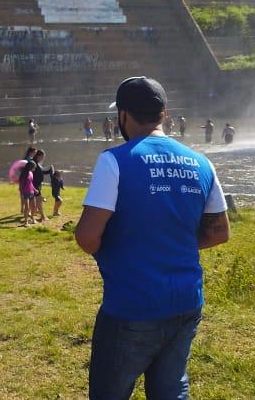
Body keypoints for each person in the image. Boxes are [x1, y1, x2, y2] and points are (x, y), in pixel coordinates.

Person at [75, 77, 229, 400]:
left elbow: (88, 236)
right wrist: (172, 242)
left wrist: (125, 246)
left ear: (123, 116)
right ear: (164, 114)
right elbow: (219, 232)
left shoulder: (114, 161)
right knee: (171, 389)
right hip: (187, 302)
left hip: (132, 305)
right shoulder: (201, 162)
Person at [31, 149, 54, 222]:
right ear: (39, 156)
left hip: (37, 185)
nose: (43, 158)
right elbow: (33, 173)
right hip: (35, 185)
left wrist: (50, 170)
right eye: (43, 157)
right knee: (38, 201)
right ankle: (42, 217)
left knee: (38, 201)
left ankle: (41, 217)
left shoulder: (37, 163)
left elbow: (41, 172)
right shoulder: (34, 163)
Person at [19, 160, 38, 225]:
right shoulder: (24, 174)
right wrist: (22, 192)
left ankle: (32, 219)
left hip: (31, 192)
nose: (34, 169)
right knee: (27, 207)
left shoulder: (31, 173)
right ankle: (26, 222)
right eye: (34, 167)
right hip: (26, 192)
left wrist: (35, 189)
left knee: (34, 206)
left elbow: (31, 183)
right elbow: (21, 184)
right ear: (30, 167)